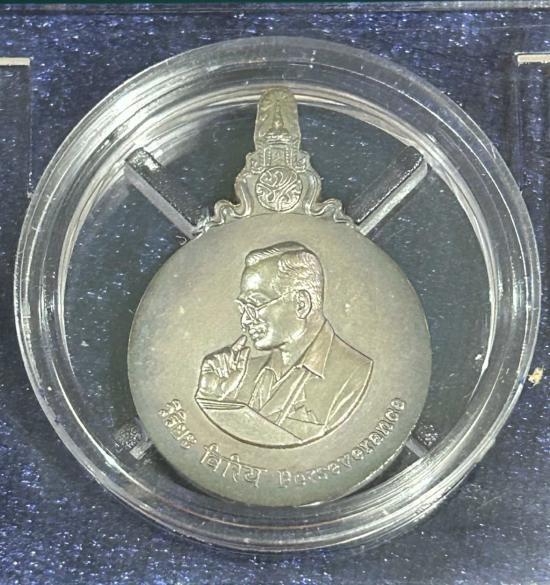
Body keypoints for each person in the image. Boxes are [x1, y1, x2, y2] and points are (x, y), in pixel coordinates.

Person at [195, 241, 373, 443]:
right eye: (243, 308)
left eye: (254, 304)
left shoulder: (356, 377)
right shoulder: (240, 375)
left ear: (301, 304)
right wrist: (213, 401)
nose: (245, 321)